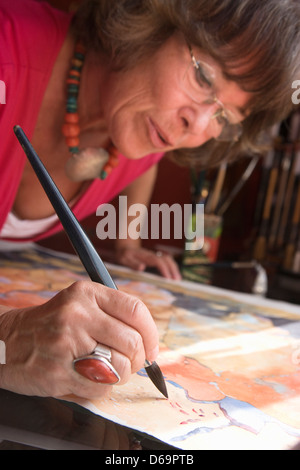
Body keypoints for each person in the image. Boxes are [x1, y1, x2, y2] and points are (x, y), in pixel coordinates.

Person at [0, 0, 299, 399]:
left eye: (226, 117)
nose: (200, 125)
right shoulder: (7, 54)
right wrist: (8, 343)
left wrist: (128, 242)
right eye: (203, 76)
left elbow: (146, 167)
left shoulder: (143, 133)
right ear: (149, 19)